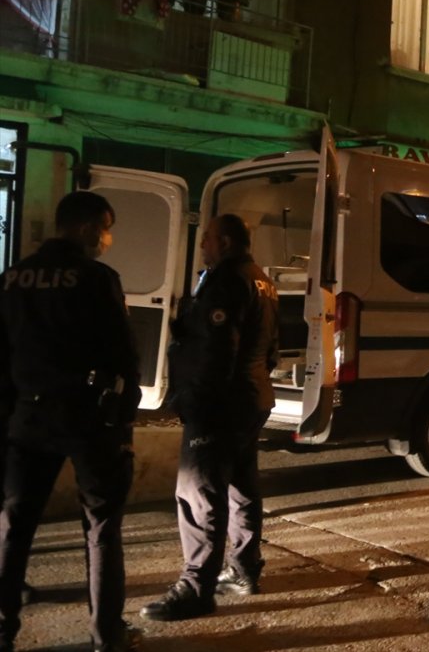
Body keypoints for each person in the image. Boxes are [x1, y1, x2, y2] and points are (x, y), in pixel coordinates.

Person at [0, 191, 142, 652]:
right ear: (86, 228)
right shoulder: (97, 279)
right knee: (101, 526)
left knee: (14, 527)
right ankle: (107, 636)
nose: (107, 239)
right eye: (106, 229)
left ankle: (2, 630)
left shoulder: (12, 278)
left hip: (28, 418)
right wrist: (123, 423)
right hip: (88, 419)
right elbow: (125, 357)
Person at [142, 214, 278, 622]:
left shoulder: (226, 282)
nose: (202, 246)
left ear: (225, 241)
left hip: (219, 404)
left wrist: (195, 400)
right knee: (241, 487)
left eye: (207, 239)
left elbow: (217, 351)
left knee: (198, 494)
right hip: (252, 398)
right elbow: (271, 348)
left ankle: (196, 588)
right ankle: (244, 569)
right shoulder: (263, 281)